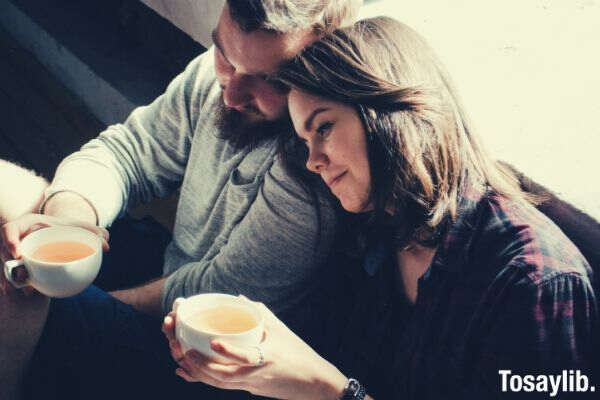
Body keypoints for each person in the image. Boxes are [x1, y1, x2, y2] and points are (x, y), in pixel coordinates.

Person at [162, 16, 599, 399]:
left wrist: (327, 390)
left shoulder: (535, 282)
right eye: (304, 141)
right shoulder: (373, 234)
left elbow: (334, 386)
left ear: (390, 111)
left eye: (325, 128)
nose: (313, 161)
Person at [0, 1, 363, 399]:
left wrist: (68, 304)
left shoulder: (313, 162)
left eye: (271, 81)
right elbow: (129, 153)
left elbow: (215, 291)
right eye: (225, 54)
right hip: (167, 275)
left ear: (322, 68)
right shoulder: (217, 73)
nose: (232, 93)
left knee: (13, 287)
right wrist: (69, 225)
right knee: (10, 196)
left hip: (203, 364)